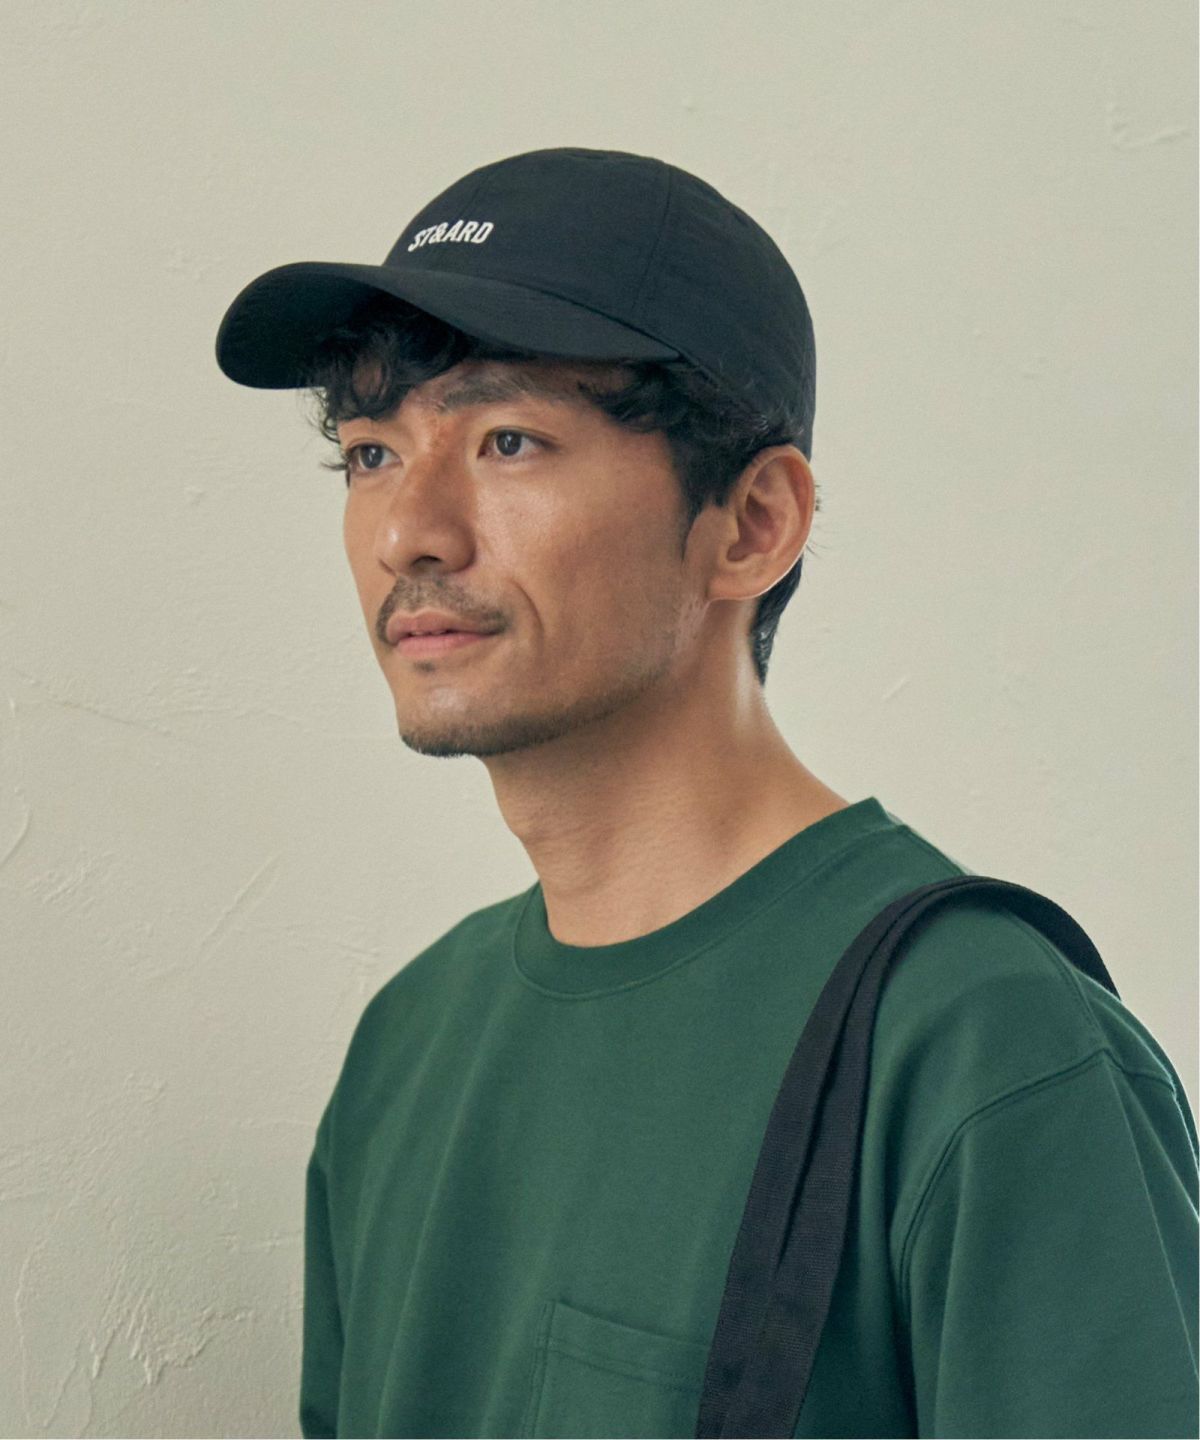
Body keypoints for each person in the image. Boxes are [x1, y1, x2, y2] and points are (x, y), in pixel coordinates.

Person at [215, 147, 1199, 1439]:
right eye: (370, 454)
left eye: (509, 441)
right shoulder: (408, 1045)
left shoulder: (984, 1041)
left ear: (752, 524)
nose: (411, 531)